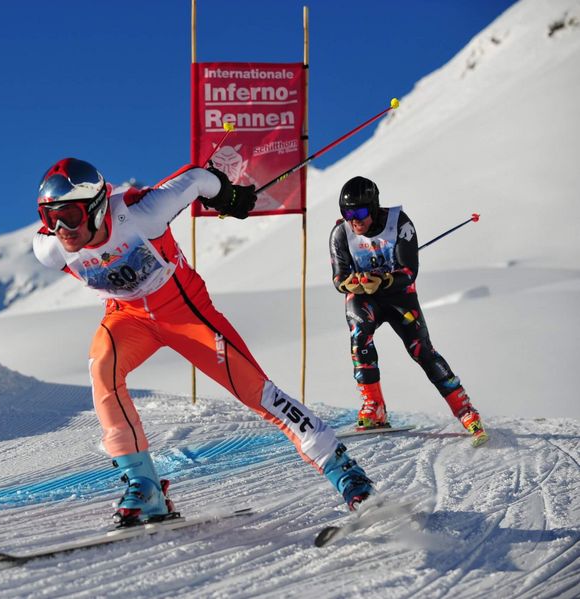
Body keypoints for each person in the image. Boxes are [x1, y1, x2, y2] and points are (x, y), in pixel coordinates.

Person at [33, 157, 375, 527]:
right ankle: (144, 486)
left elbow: (196, 177)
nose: (61, 228)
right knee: (102, 369)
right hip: (128, 317)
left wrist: (226, 196)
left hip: (185, 312)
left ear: (97, 207)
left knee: (256, 392)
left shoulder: (143, 214)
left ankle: (344, 472)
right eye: (50, 217)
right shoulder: (51, 248)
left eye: (69, 215)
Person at [329, 175, 489, 447]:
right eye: (347, 212)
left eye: (360, 211)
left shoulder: (400, 224)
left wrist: (383, 280)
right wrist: (350, 282)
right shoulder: (340, 233)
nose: (354, 219)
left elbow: (409, 272)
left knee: (421, 350)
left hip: (398, 296)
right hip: (364, 298)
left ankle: (465, 410)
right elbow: (338, 278)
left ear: (375, 206)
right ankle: (374, 407)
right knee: (359, 338)